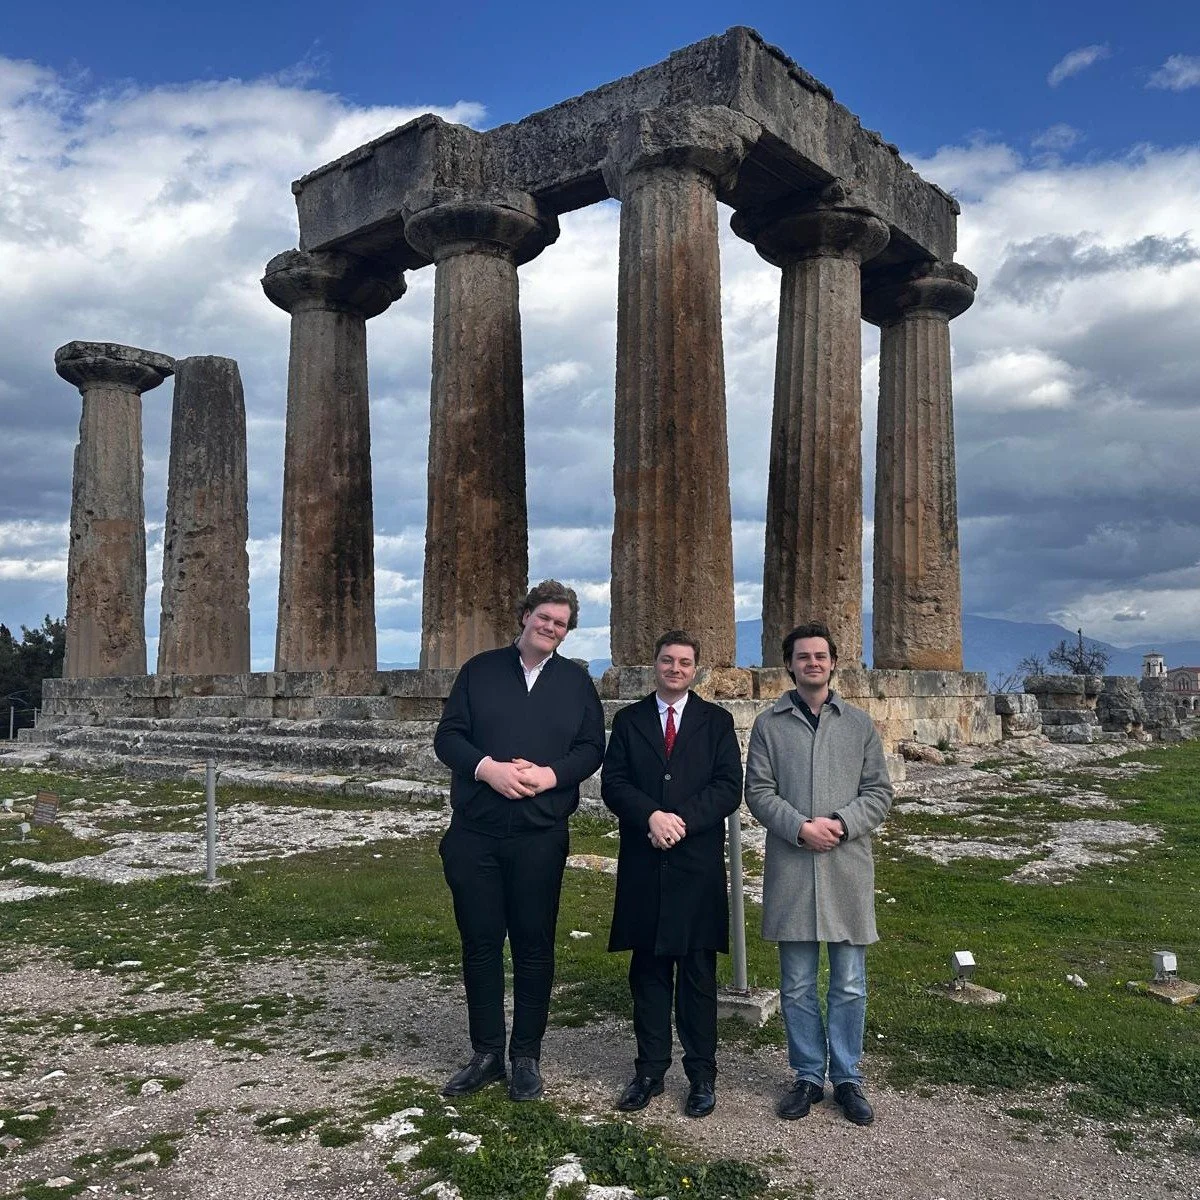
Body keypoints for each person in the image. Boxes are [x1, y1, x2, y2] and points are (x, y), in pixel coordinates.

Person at [433, 579, 605, 1102]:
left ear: (566, 632)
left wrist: (551, 776)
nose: (550, 628)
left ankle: (526, 1055)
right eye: (543, 618)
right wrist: (488, 770)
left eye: (561, 624)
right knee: (481, 944)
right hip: (476, 832)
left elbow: (591, 747)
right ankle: (486, 1052)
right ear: (524, 615)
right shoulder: (478, 671)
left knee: (534, 946)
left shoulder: (575, 683)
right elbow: (449, 737)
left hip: (539, 833)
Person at [744, 621, 893, 1126]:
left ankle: (848, 1077)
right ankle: (808, 1074)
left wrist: (841, 823)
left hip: (846, 863)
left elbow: (879, 791)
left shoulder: (859, 724)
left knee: (850, 982)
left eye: (821, 656)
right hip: (792, 862)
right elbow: (758, 791)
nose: (812, 662)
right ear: (789, 664)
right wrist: (799, 827)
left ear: (834, 663)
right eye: (803, 656)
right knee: (798, 984)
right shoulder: (769, 724)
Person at [601, 630, 743, 1119]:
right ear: (654, 665)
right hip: (644, 860)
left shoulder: (716, 721)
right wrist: (650, 817)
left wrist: (679, 819)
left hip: (696, 864)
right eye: (667, 660)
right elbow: (614, 783)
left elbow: (729, 787)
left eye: (685, 662)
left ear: (696, 668)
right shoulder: (629, 720)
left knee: (699, 978)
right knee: (648, 974)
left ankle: (702, 1076)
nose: (675, 669)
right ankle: (649, 1071)